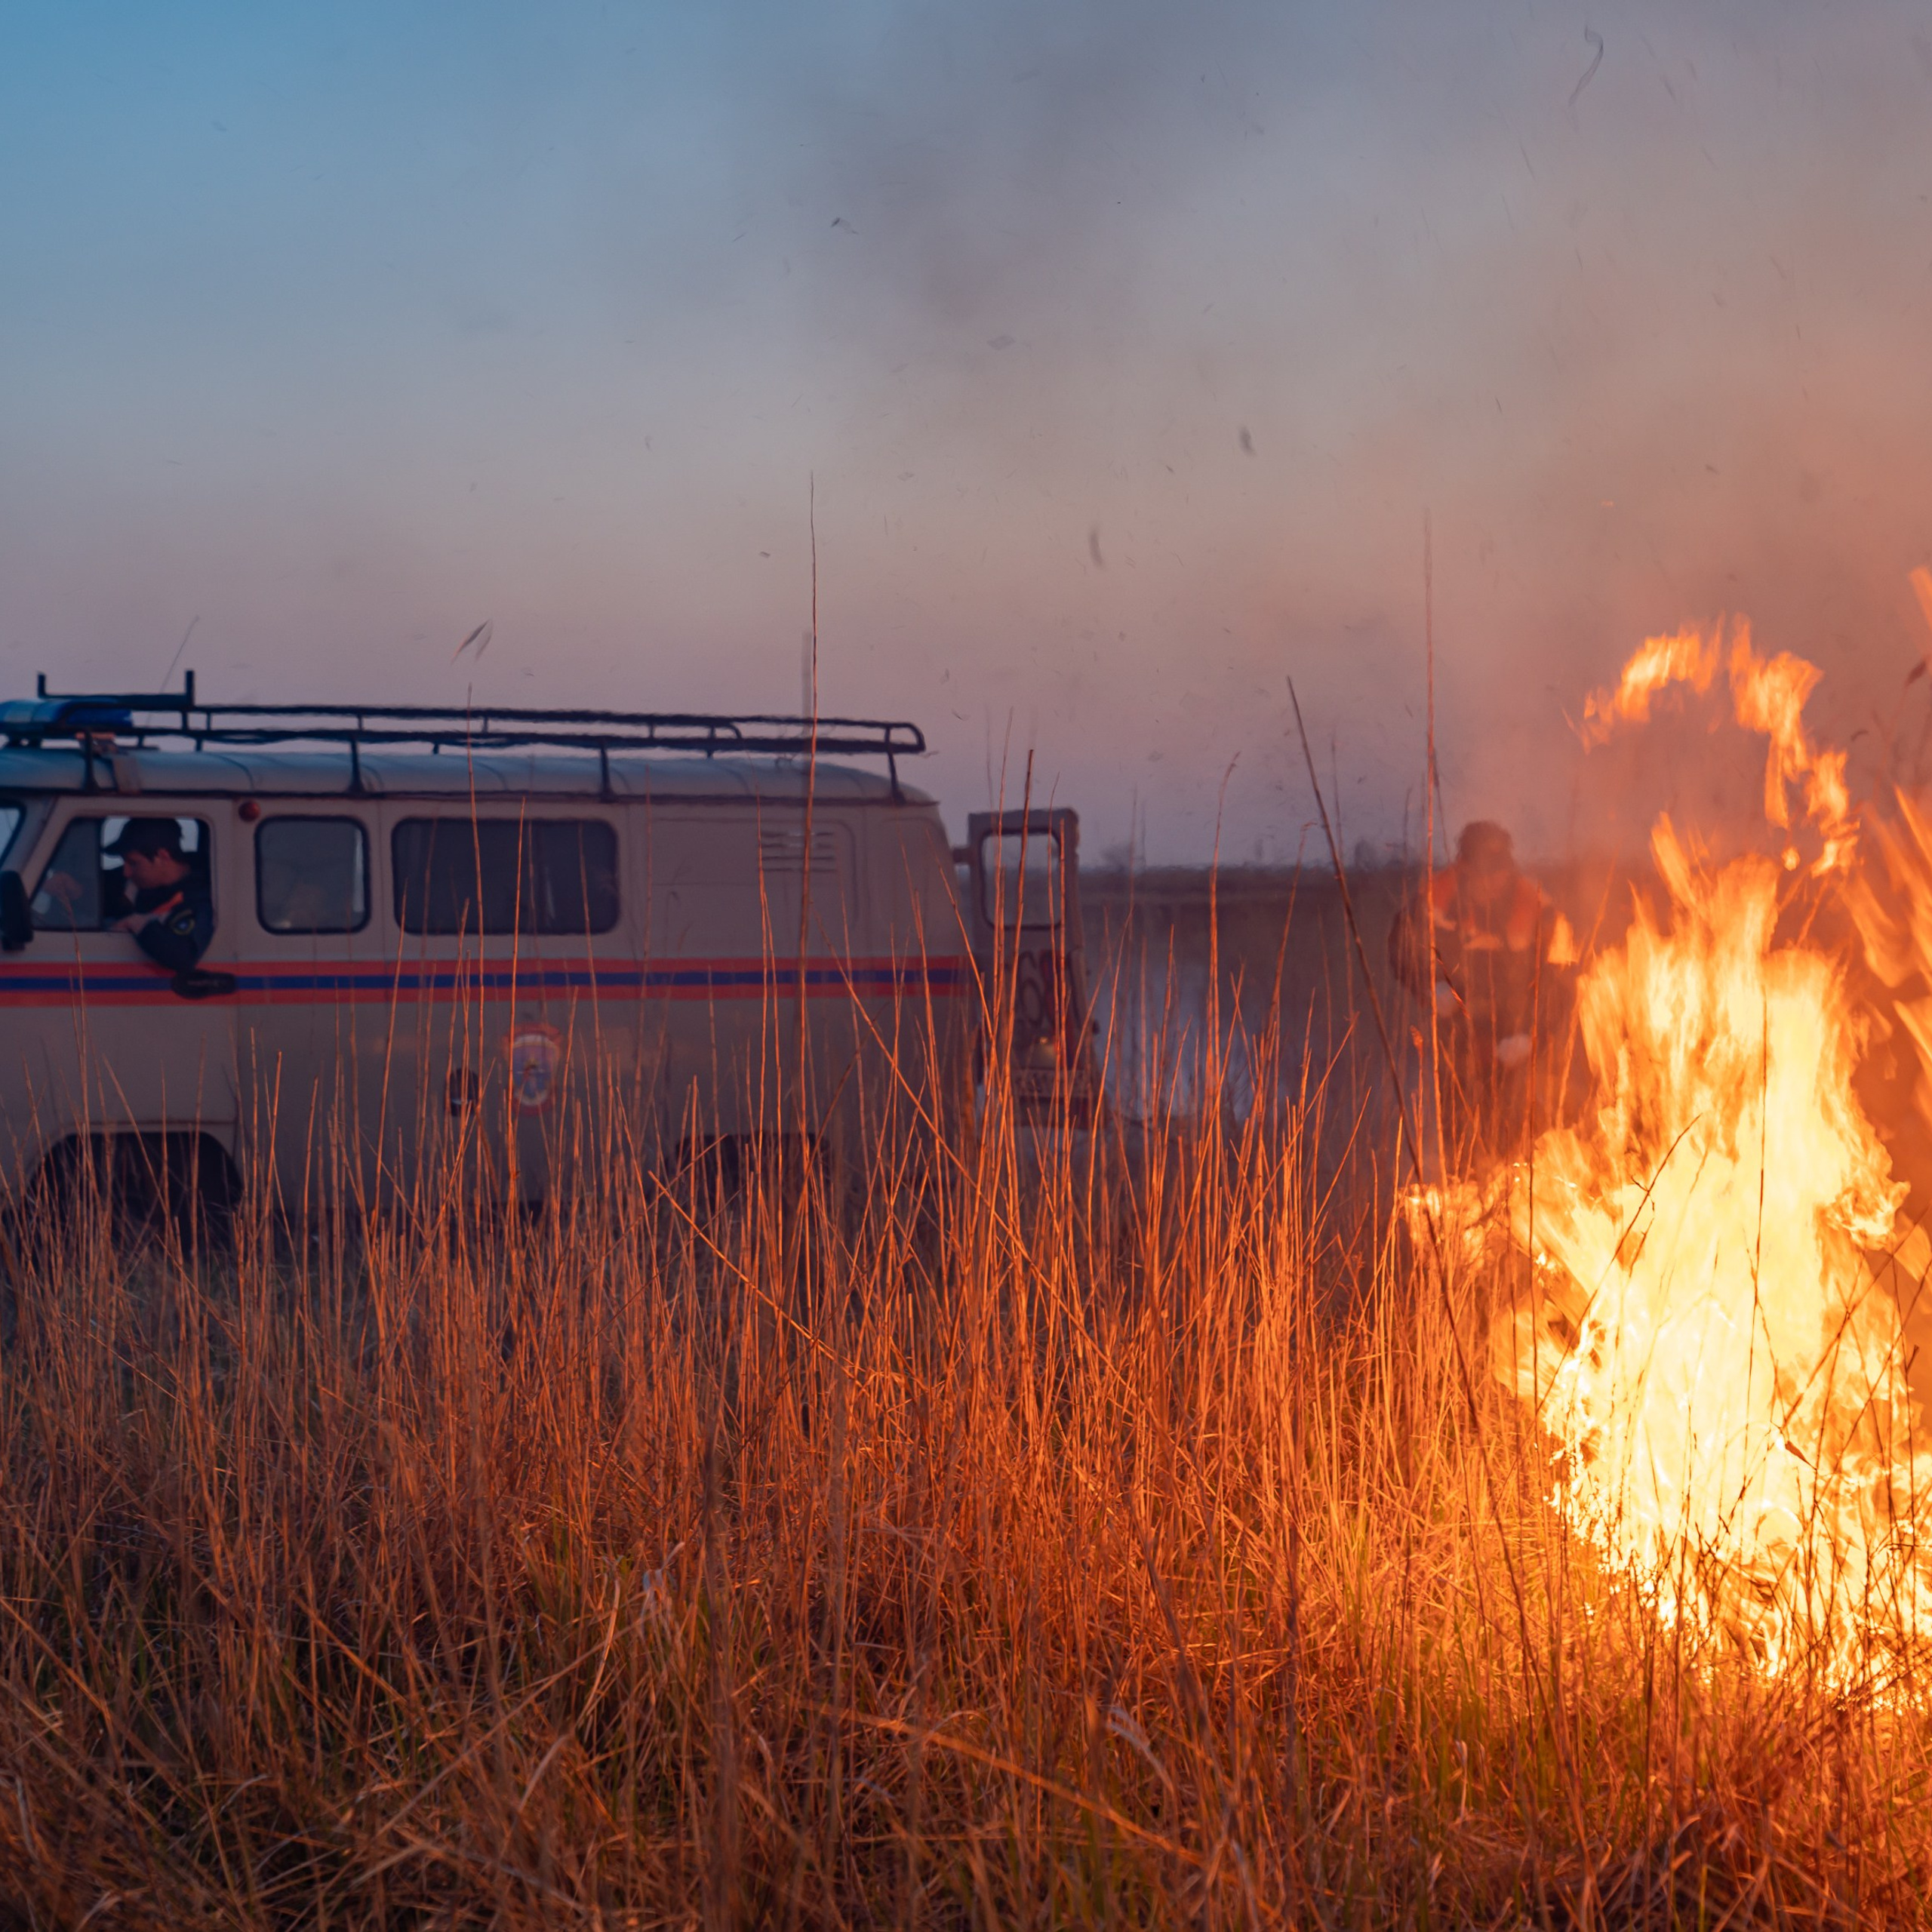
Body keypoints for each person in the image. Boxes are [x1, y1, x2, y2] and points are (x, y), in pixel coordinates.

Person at [1389, 820, 1574, 1159]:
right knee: (1459, 1126)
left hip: (1517, 1039)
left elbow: (1561, 982)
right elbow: (1402, 950)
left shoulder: (1537, 907)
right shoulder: (1435, 898)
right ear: (1465, 867)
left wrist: (1533, 1035)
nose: (1490, 882)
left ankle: (1520, 1182)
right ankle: (1462, 1180)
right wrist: (1429, 988)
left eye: (1497, 872)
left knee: (1522, 1128)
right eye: (1481, 873)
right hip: (1458, 1035)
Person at [107, 818, 213, 972]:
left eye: (133, 863)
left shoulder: (201, 897)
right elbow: (94, 885)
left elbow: (184, 955)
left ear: (163, 856)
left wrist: (138, 924)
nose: (126, 872)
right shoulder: (139, 879)